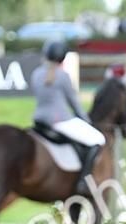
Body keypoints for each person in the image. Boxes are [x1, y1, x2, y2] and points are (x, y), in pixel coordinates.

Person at [31, 38, 106, 194]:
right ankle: (84, 181)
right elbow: (75, 104)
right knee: (98, 139)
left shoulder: (36, 73)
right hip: (59, 121)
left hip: (39, 119)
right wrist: (87, 122)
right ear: (63, 57)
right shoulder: (63, 76)